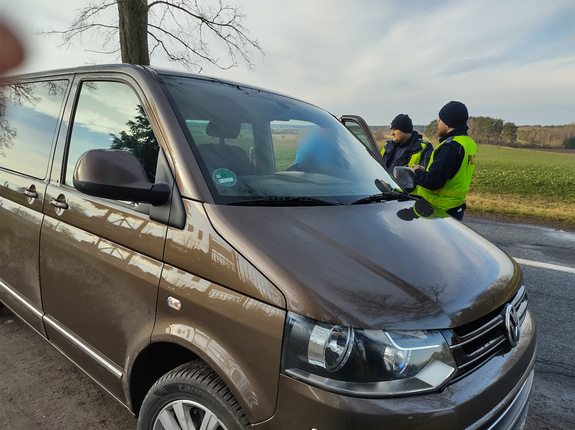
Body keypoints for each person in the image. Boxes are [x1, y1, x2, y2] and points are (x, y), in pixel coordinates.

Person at [411, 101, 477, 221]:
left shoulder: (450, 147)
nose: (438, 122)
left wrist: (416, 172)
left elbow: (433, 182)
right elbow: (452, 174)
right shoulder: (468, 143)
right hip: (456, 207)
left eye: (440, 119)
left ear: (448, 123)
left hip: (439, 210)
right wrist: (425, 171)